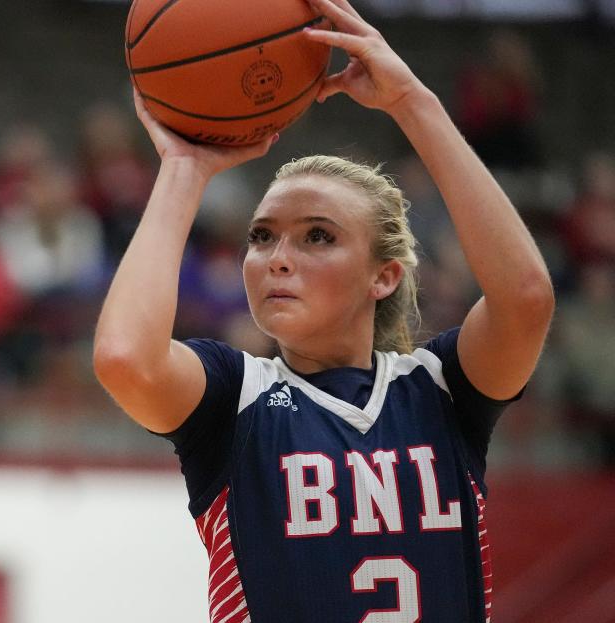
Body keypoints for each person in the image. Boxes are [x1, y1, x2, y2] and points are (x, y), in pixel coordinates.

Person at [92, 1, 554, 621]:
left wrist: (412, 101)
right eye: (261, 236)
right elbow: (125, 358)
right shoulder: (233, 402)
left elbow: (524, 297)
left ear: (384, 276)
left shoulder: (443, 391)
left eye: (317, 237)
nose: (278, 258)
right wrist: (183, 170)